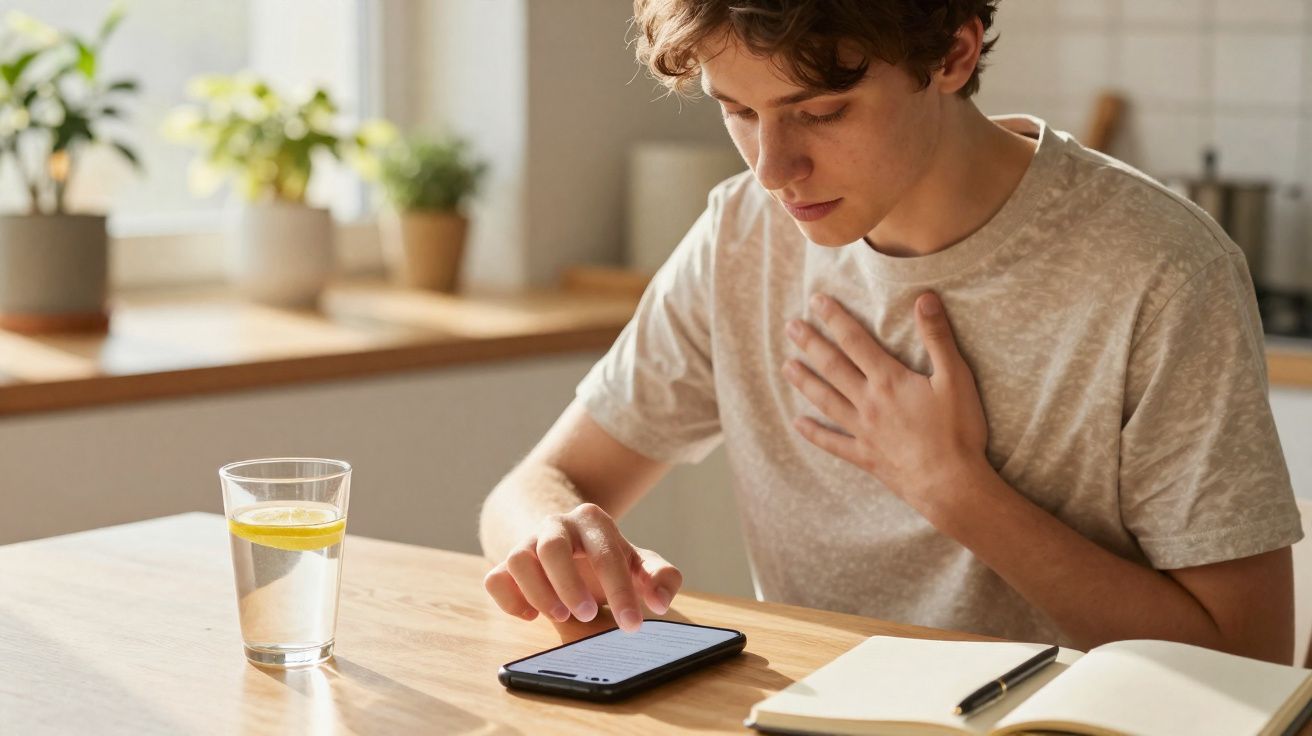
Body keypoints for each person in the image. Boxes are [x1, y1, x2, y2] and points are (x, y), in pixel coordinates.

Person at [479, 0, 1303, 663]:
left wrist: (955, 490)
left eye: (821, 111)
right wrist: (556, 534)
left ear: (953, 54)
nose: (772, 169)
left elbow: (1248, 662)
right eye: (738, 110)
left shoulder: (1162, 269)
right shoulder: (741, 236)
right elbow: (534, 486)